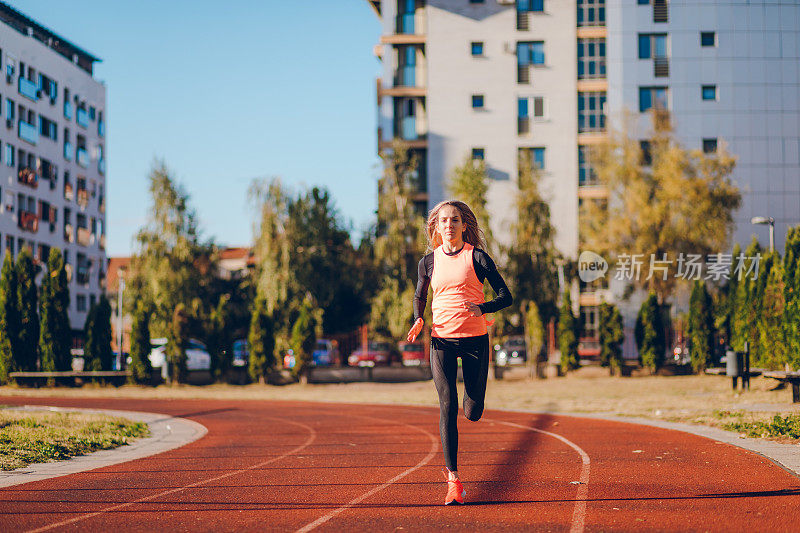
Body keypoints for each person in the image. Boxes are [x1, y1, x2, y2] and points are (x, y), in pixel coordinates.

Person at [406, 200, 512, 505]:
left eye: (454, 220)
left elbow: (506, 296)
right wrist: (418, 318)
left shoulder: (477, 257)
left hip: (475, 340)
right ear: (436, 227)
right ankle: (453, 480)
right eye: (443, 221)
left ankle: (473, 402)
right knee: (447, 405)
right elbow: (419, 295)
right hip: (441, 341)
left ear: (463, 225)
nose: (448, 225)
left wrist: (483, 308)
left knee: (472, 410)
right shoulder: (428, 262)